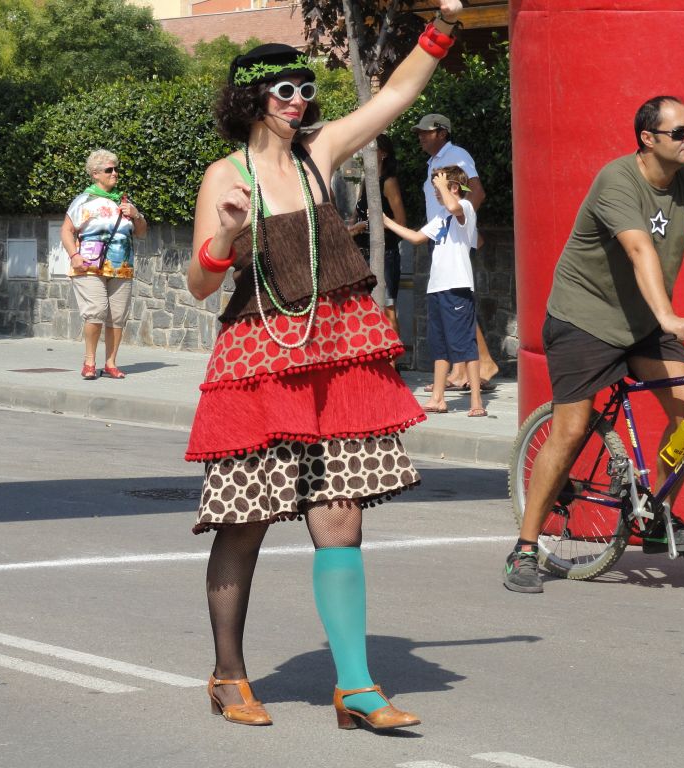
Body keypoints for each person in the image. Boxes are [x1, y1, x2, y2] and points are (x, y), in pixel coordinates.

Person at [186, 0, 463, 731]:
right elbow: (200, 283)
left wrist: (445, 25)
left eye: (306, 90)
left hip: (336, 349)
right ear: (254, 99)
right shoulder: (225, 175)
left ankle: (355, 688)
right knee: (245, 520)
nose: (300, 101)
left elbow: (399, 92)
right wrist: (227, 235)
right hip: (261, 358)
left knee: (340, 515)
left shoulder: (321, 152)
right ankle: (229, 673)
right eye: (285, 92)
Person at [503, 95, 684, 594]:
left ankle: (655, 506)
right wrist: (668, 316)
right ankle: (525, 548)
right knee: (570, 431)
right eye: (678, 132)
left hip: (644, 326)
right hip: (583, 320)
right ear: (648, 138)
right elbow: (639, 250)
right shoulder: (617, 181)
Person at [383, 166, 485, 417]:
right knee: (439, 345)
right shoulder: (440, 215)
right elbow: (417, 237)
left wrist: (444, 186)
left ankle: (476, 402)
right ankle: (438, 398)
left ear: (453, 187)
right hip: (437, 287)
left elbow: (454, 207)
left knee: (465, 343)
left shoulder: (466, 207)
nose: (436, 192)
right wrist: (387, 222)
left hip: (457, 285)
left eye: (440, 186)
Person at [413, 114, 499, 389]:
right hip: (438, 235)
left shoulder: (457, 155)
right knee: (452, 304)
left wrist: (467, 226)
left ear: (442, 133)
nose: (420, 136)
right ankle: (460, 370)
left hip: (452, 236)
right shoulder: (434, 162)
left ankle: (481, 364)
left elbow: (476, 192)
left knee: (455, 302)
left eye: (426, 132)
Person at [60, 148, 148, 380]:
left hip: (121, 267)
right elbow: (66, 231)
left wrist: (137, 215)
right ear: (95, 174)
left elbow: (141, 233)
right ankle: (89, 361)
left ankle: (111, 363)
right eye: (109, 170)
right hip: (89, 266)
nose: (115, 173)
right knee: (96, 311)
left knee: (118, 316)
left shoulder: (124, 201)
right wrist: (73, 256)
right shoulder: (83, 201)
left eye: (116, 168)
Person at [348, 134, 408, 336]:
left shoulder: (388, 182)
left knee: (388, 309)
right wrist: (355, 227)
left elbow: (401, 222)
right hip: (361, 253)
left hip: (384, 253)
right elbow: (354, 218)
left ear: (383, 154)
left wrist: (373, 226)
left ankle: (394, 364)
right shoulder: (368, 181)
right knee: (364, 309)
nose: (365, 154)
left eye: (370, 150)